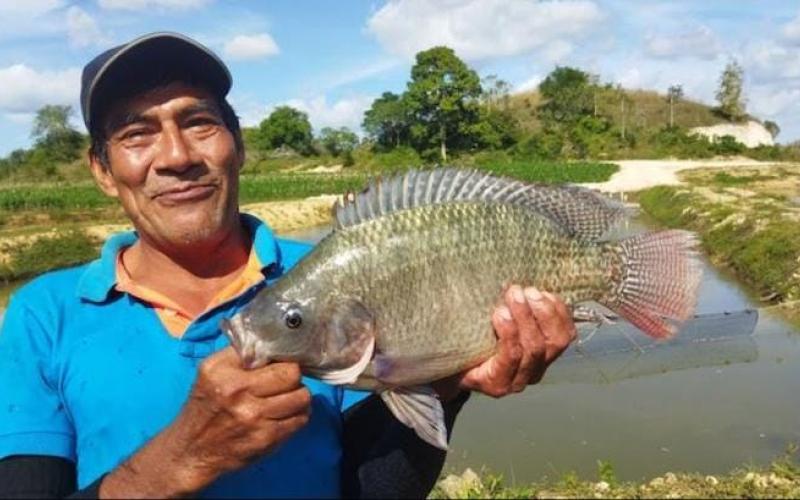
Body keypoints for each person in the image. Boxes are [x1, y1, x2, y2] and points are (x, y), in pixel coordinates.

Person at [0, 32, 576, 498]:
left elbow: (372, 491)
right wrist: (173, 463)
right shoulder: (41, 315)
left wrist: (448, 384)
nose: (176, 157)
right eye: (136, 133)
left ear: (238, 143)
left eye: (198, 122)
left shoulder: (330, 277)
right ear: (102, 170)